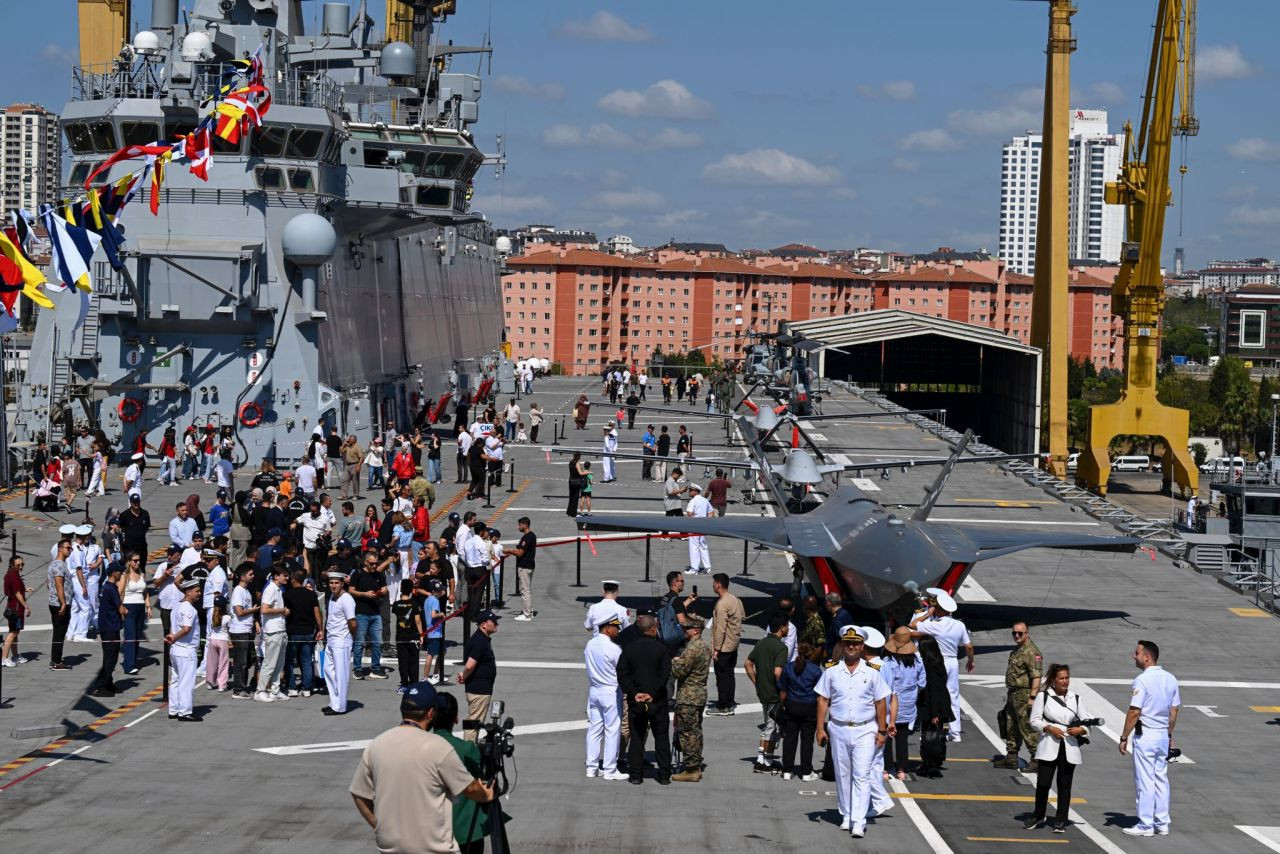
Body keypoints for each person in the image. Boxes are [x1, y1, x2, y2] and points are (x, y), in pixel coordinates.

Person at [350, 680, 495, 854]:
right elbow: (470, 789)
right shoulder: (437, 747)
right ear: (431, 713)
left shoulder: (377, 745)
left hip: (391, 848)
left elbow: (358, 793)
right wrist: (486, 794)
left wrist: (379, 826)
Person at [816, 626, 889, 839]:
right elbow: (822, 700)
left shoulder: (872, 671)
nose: (851, 646)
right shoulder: (831, 671)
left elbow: (881, 702)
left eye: (855, 643)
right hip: (838, 727)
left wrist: (882, 731)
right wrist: (820, 728)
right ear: (842, 645)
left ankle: (859, 820)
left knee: (862, 775)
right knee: (842, 774)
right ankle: (846, 814)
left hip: (865, 728)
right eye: (848, 643)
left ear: (862, 646)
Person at [1119, 639, 1181, 837]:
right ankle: (1162, 823)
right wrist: (1169, 734)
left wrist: (1123, 736)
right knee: (1161, 778)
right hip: (1162, 734)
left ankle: (1145, 824)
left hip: (1146, 735)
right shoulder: (1171, 678)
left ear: (1146, 657)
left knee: (1145, 780)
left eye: (1137, 653)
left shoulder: (1142, 680)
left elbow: (1135, 711)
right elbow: (1174, 710)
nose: (1134, 656)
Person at [1025, 663, 1092, 833]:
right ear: (1053, 680)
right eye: (1061, 678)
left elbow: (1087, 723)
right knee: (1043, 783)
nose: (1064, 681)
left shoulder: (1076, 698)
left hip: (1069, 746)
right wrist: (1049, 728)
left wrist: (1081, 729)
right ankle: (1039, 815)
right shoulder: (1043, 697)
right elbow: (1034, 721)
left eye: (1066, 678)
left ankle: (1060, 819)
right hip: (1049, 745)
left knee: (1064, 785)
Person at [431, 691, 498, 853]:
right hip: (466, 830)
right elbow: (483, 780)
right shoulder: (466, 749)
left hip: (431, 831)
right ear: (455, 718)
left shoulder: (420, 746)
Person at [909, 589, 973, 742]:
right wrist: (971, 661)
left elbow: (912, 625)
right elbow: (968, 646)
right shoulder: (959, 625)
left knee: (929, 691)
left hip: (936, 660)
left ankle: (921, 726)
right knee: (953, 694)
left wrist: (927, 615)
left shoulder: (935, 625)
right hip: (952, 661)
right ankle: (955, 732)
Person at [616, 614, 673, 785]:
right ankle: (664, 776)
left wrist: (634, 693)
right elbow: (665, 674)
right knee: (661, 738)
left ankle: (635, 775)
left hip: (637, 702)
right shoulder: (662, 649)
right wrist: (653, 693)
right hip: (657, 701)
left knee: (637, 738)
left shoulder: (629, 649)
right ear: (654, 629)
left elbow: (622, 674)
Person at [584, 614, 628, 781]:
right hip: (610, 691)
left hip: (594, 690)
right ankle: (610, 769)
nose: (617, 630)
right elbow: (621, 669)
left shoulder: (590, 644)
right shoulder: (614, 649)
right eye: (615, 627)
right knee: (612, 730)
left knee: (594, 729)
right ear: (607, 629)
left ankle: (592, 767)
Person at [880, 627, 927, 780]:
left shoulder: (886, 662)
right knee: (902, 738)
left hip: (889, 704)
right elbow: (922, 684)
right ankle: (902, 770)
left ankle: (886, 769)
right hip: (908, 704)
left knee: (885, 736)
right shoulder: (917, 662)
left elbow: (883, 685)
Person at [669, 613, 711, 783]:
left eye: (687, 628)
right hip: (699, 694)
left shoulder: (692, 648)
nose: (684, 630)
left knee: (687, 733)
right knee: (695, 730)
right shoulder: (704, 646)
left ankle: (691, 769)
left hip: (688, 696)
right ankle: (695, 764)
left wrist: (673, 661)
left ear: (696, 630)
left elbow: (678, 672)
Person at [997, 620, 1044, 770]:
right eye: (1014, 633)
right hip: (1013, 694)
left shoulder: (1032, 652)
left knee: (1027, 727)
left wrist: (1032, 698)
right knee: (1011, 725)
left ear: (1027, 633)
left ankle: (1036, 759)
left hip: (1024, 694)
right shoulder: (1018, 650)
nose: (1016, 635)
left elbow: (1036, 676)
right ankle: (1011, 757)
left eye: (1020, 633)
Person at [746, 612, 789, 772]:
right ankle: (766, 762)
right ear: (783, 627)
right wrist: (783, 690)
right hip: (774, 693)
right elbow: (778, 672)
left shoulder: (761, 643)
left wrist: (757, 682)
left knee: (768, 725)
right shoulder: (781, 647)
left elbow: (748, 664)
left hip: (763, 691)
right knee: (772, 727)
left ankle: (762, 759)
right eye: (787, 626)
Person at [778, 641, 823, 781]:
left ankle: (787, 770)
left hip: (791, 705)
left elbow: (783, 690)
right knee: (807, 740)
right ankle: (806, 772)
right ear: (811, 654)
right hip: (808, 707)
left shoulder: (788, 667)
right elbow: (819, 695)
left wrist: (783, 705)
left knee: (790, 738)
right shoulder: (816, 670)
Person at [915, 636, 955, 778]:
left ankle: (929, 765)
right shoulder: (938, 661)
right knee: (937, 736)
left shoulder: (929, 666)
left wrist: (934, 714)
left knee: (929, 736)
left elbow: (932, 690)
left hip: (932, 706)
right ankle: (933, 762)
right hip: (942, 703)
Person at [457, 609, 500, 741]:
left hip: (480, 689)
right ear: (484, 625)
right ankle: (469, 753)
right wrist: (464, 675)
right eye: (494, 622)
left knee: (474, 721)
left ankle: (471, 747)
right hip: (479, 690)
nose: (497, 624)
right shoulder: (480, 641)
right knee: (473, 722)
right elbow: (470, 665)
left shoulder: (481, 639)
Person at [164, 577, 203, 721]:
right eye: (197, 591)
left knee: (175, 681)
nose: (199, 593)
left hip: (175, 650)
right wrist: (174, 636)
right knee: (186, 682)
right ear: (188, 592)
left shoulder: (177, 606)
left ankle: (174, 710)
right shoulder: (188, 608)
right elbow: (186, 629)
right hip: (185, 650)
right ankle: (185, 712)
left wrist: (173, 637)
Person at [709, 573, 744, 715]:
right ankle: (729, 701)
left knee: (722, 676)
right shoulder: (734, 599)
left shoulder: (722, 604)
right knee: (729, 674)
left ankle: (723, 706)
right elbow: (742, 615)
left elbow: (721, 628)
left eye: (714, 583)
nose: (712, 585)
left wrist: (716, 649)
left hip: (724, 646)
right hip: (733, 644)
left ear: (718, 584)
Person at [283, 569, 322, 696]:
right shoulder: (312, 595)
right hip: (308, 631)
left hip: (293, 631)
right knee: (306, 660)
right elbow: (317, 613)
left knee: (289, 661)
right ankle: (306, 688)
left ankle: (292, 687)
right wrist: (320, 629)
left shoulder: (287, 595)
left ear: (294, 579)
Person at [350, 550, 389, 679]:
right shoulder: (358, 574)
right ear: (366, 562)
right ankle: (357, 668)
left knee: (377, 642)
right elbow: (351, 590)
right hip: (361, 612)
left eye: (376, 563)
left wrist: (382, 591)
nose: (374, 566)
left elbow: (385, 588)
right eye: (371, 563)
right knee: (360, 642)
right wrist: (364, 594)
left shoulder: (379, 575)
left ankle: (376, 668)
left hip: (375, 612)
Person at [323, 571, 357, 715]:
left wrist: (350, 639)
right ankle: (334, 702)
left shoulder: (346, 599)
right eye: (331, 583)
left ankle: (340, 706)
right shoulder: (332, 597)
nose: (333, 585)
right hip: (331, 639)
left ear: (342, 583)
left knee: (341, 675)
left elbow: (353, 623)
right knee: (328, 671)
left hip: (341, 640)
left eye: (336, 583)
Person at [254, 565, 290, 702]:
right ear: (276, 576)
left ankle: (275, 690)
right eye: (284, 575)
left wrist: (283, 611)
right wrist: (281, 610)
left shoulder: (279, 589)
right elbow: (264, 610)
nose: (287, 577)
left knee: (279, 663)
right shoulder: (270, 589)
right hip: (273, 631)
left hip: (280, 629)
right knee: (269, 663)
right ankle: (260, 690)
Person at [90, 562, 126, 697]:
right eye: (120, 572)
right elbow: (121, 609)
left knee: (109, 657)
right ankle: (100, 686)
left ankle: (108, 683)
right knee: (110, 658)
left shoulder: (106, 587)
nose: (121, 574)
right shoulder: (112, 589)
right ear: (114, 573)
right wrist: (126, 611)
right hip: (111, 628)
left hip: (106, 627)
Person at [227, 565, 259, 698]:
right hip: (239, 630)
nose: (252, 576)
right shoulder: (238, 591)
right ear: (242, 576)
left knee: (246, 660)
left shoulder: (246, 591)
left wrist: (255, 622)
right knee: (241, 661)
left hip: (246, 629)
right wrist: (253, 610)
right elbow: (239, 612)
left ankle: (243, 686)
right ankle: (238, 688)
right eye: (250, 574)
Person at [392, 578, 425, 691]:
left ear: (401, 589)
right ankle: (414, 685)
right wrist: (421, 635)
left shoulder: (396, 605)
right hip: (413, 637)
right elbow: (418, 621)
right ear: (411, 589)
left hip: (401, 637)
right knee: (413, 662)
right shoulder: (415, 604)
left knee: (403, 662)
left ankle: (404, 684)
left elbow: (397, 613)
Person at [46, 539, 73, 671]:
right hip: (59, 604)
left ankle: (55, 660)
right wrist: (63, 603)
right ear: (60, 548)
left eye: (71, 548)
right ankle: (56, 662)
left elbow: (48, 584)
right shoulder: (59, 565)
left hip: (56, 602)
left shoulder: (55, 564)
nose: (70, 550)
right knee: (59, 633)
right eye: (68, 548)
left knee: (59, 632)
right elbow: (59, 585)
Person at [3, 557, 32, 667]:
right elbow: (16, 593)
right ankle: (4, 658)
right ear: (12, 564)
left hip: (14, 607)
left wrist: (24, 589)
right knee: (13, 633)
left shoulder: (10, 573)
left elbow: (14, 589)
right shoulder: (13, 575)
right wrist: (26, 606)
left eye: (22, 564)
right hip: (15, 608)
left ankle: (15, 655)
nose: (21, 567)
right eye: (18, 565)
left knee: (15, 632)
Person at [510, 517, 537, 621]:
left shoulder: (527, 537)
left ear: (525, 525)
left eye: (520, 525)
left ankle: (527, 615)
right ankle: (529, 610)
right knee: (527, 589)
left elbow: (520, 552)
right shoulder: (532, 536)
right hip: (530, 565)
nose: (518, 527)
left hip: (524, 566)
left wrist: (509, 551)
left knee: (524, 590)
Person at [684, 482, 713, 573]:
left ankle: (694, 568)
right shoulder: (705, 500)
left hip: (694, 526)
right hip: (703, 526)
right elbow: (711, 513)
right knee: (703, 546)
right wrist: (707, 523)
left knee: (694, 547)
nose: (689, 492)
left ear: (695, 491)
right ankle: (707, 567)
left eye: (690, 490)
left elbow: (689, 513)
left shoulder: (693, 501)